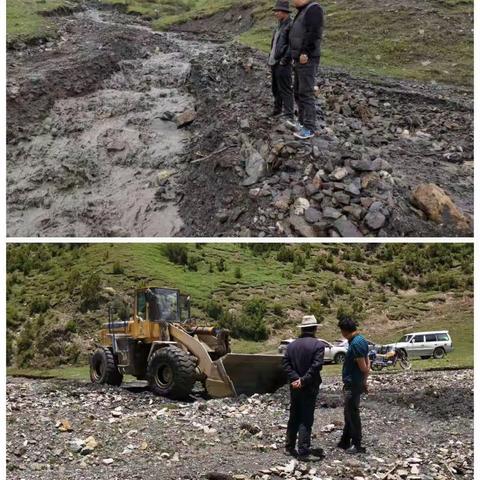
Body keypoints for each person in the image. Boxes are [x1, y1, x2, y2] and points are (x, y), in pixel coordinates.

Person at [282, 315, 325, 460]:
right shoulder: (318, 345)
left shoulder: (291, 345)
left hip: (294, 386)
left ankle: (289, 447)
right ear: (314, 329)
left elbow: (286, 364)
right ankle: (303, 451)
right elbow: (316, 367)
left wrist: (295, 379)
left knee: (294, 415)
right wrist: (304, 380)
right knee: (306, 418)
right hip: (309, 386)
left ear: (302, 329)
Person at [288, 0, 324, 140]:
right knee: (298, 91)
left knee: (306, 92)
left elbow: (314, 33)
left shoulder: (314, 9)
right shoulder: (303, 11)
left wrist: (305, 52)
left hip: (306, 58)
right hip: (299, 58)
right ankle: (302, 123)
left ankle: (309, 128)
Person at [337, 316, 370, 454]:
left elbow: (363, 366)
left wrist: (365, 375)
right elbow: (367, 360)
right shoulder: (361, 339)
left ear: (344, 331)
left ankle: (357, 443)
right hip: (357, 382)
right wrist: (365, 379)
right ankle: (345, 439)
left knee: (352, 413)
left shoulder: (355, 344)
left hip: (353, 383)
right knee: (348, 412)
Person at [268, 1, 295, 122]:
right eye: (275, 11)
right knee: (275, 87)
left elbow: (292, 45)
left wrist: (285, 60)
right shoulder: (279, 25)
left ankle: (289, 114)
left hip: (283, 63)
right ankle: (277, 109)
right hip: (274, 62)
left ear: (285, 12)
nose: (276, 13)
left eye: (278, 11)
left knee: (285, 88)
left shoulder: (290, 25)